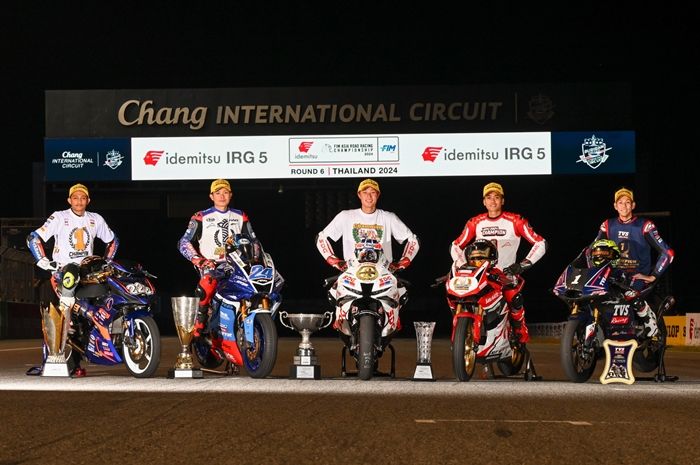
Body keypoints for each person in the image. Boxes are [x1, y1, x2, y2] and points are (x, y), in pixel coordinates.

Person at [26, 183, 119, 376]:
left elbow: (113, 240)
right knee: (66, 312)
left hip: (88, 273)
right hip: (63, 273)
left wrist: (107, 262)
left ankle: (79, 363)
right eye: (75, 198)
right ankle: (54, 356)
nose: (79, 201)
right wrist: (43, 261)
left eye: (83, 198)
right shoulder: (59, 217)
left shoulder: (95, 219)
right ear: (69, 200)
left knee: (86, 317)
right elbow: (33, 238)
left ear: (88, 200)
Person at [450, 182, 547, 344]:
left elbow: (540, 243)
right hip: (480, 275)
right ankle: (464, 330)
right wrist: (461, 264)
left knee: (514, 298)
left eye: (496, 197)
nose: (493, 201)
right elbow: (455, 245)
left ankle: (520, 334)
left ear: (502, 200)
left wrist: (523, 265)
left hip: (506, 275)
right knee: (456, 294)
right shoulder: (475, 222)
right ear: (484, 202)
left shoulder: (515, 220)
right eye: (489, 197)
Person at [178, 179, 261, 339]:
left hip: (238, 264)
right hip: (211, 264)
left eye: (225, 192)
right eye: (218, 193)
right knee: (208, 282)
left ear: (231, 195)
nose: (222, 196)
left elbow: (254, 241)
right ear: (211, 196)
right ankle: (201, 317)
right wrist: (198, 259)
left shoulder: (240, 215)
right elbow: (184, 241)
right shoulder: (201, 216)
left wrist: (255, 258)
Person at [592, 187, 674, 337]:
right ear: (615, 206)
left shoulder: (645, 226)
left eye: (627, 202)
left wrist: (653, 276)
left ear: (633, 205)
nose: (624, 206)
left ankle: (649, 319)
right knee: (593, 294)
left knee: (629, 294)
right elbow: (593, 250)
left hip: (637, 276)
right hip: (614, 275)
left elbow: (668, 253)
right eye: (620, 202)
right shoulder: (608, 225)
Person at [316, 178, 420, 273]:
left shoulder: (388, 217)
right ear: (359, 195)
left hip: (383, 273)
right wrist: (335, 261)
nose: (369, 196)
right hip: (352, 273)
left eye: (372, 192)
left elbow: (413, 240)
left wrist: (401, 263)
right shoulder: (346, 216)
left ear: (378, 195)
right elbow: (321, 238)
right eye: (365, 192)